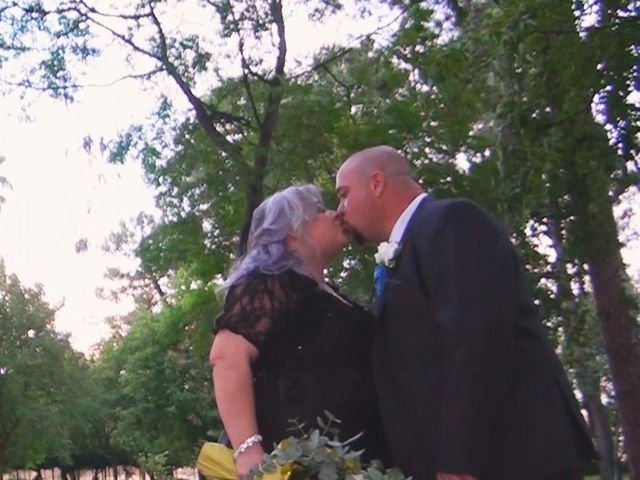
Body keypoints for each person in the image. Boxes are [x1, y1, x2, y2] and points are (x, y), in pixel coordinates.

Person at [335, 146, 597, 480]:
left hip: (509, 457)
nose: (341, 210)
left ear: (376, 183)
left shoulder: (451, 222)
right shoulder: (408, 248)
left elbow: (475, 339)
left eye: (344, 195)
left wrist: (458, 456)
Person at [209, 184, 389, 478]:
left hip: (355, 459)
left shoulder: (331, 293)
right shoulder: (271, 282)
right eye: (319, 211)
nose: (334, 214)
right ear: (292, 232)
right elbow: (226, 358)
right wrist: (248, 451)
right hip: (300, 464)